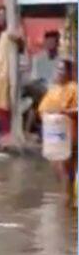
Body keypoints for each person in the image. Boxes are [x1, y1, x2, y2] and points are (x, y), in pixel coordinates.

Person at [37, 58, 78, 203]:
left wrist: (65, 112)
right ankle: (66, 201)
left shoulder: (74, 88)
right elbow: (42, 110)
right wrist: (49, 116)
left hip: (70, 137)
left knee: (68, 172)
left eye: (62, 70)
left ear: (69, 73)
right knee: (60, 171)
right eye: (58, 69)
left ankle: (67, 201)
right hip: (55, 139)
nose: (59, 72)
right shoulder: (53, 91)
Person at [0, 27, 22, 146]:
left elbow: (21, 43)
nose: (0, 17)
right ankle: (4, 132)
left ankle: (8, 133)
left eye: (3, 14)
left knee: (4, 102)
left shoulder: (13, 29)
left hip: (7, 73)